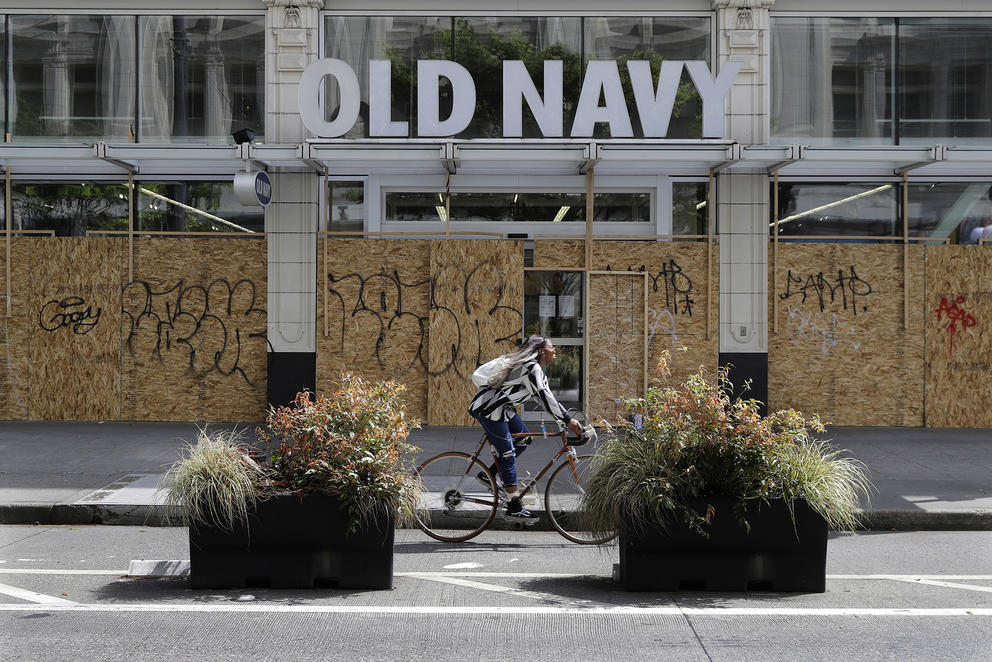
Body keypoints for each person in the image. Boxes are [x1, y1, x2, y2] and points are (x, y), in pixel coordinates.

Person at [469, 335, 584, 519]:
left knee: (523, 439)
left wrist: (565, 420)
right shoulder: (531, 367)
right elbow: (545, 398)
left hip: (503, 409)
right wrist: (568, 420)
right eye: (551, 347)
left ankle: (488, 475)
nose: (554, 350)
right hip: (488, 409)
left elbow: (546, 397)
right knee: (506, 454)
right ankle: (514, 507)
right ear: (541, 352)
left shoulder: (537, 370)